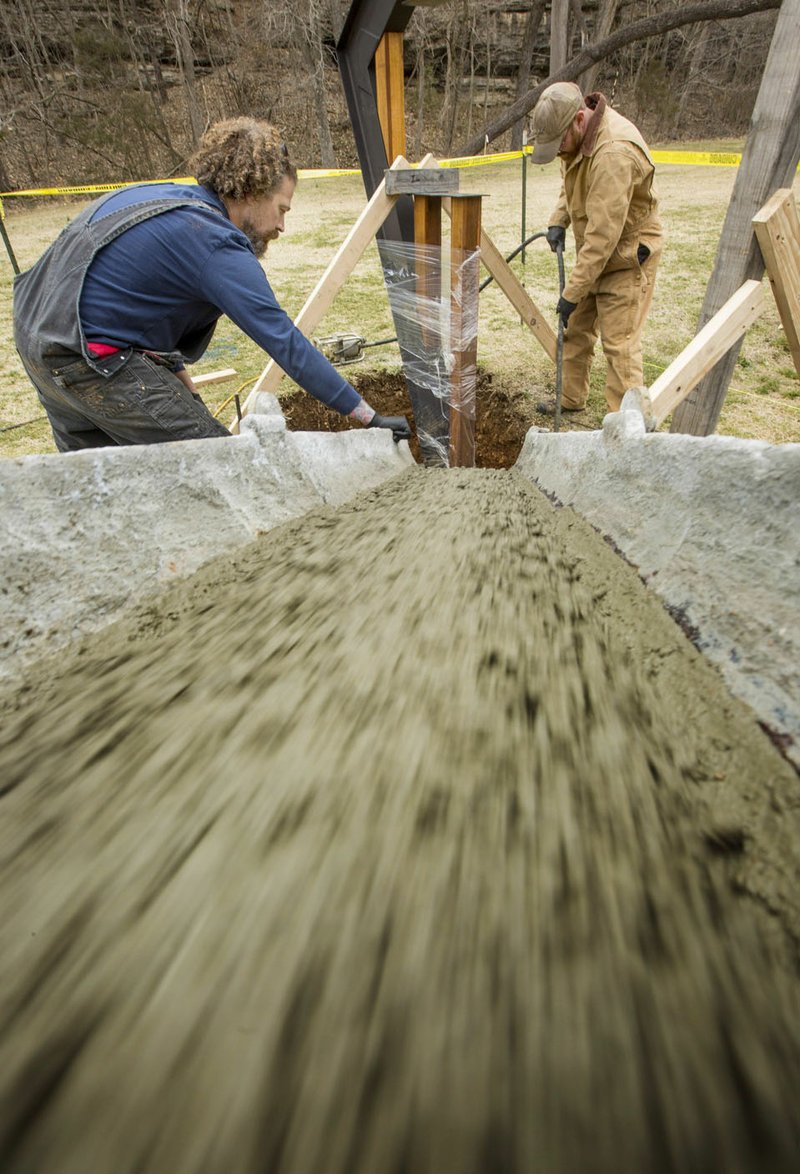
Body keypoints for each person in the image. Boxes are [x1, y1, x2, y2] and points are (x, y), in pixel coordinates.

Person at [13, 118, 411, 451]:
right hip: (91, 357)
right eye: (282, 209)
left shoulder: (164, 201)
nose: (281, 226)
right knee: (220, 466)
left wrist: (185, 390)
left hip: (40, 342)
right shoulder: (214, 241)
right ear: (254, 190)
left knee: (101, 486)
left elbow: (134, 304)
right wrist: (368, 417)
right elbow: (286, 343)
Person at [529, 82, 663, 416]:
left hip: (626, 255)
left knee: (620, 344)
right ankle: (570, 399)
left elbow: (604, 238)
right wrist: (558, 219)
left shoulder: (614, 153)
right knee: (575, 329)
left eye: (559, 144)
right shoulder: (575, 141)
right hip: (594, 252)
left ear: (578, 119)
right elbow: (572, 179)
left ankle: (626, 424)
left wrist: (571, 293)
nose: (559, 152)